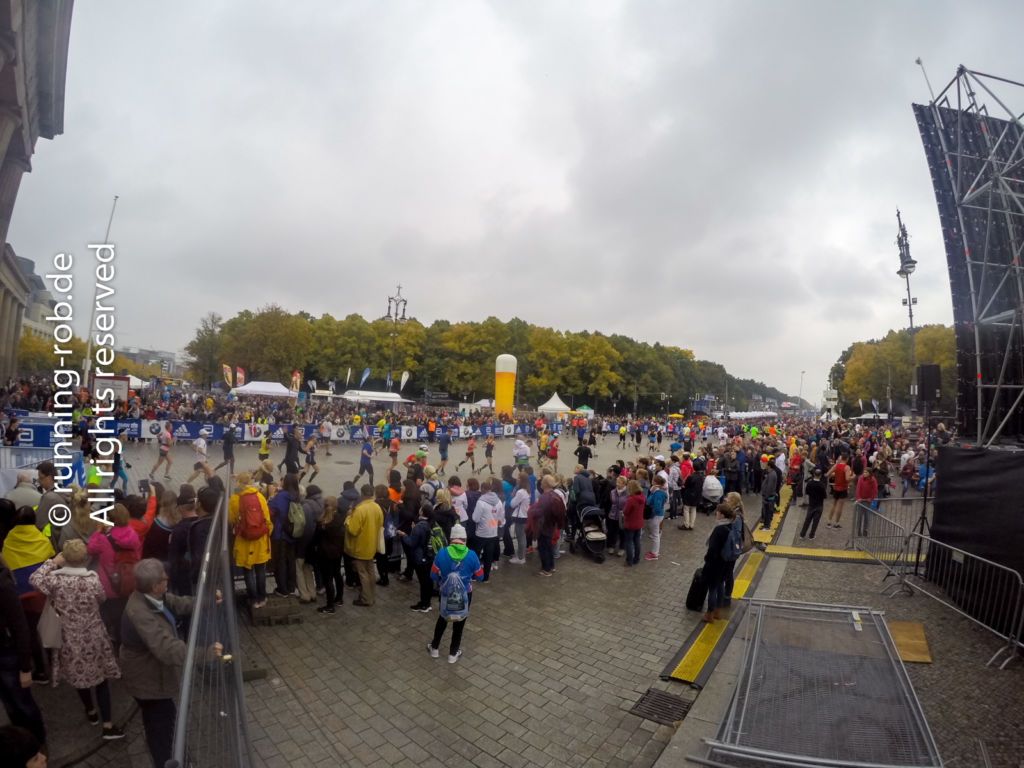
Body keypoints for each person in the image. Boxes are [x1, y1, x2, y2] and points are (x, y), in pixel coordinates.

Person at [121, 558, 220, 768]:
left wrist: (208, 599)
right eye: (165, 580)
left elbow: (179, 602)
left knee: (163, 723)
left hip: (153, 678)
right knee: (161, 731)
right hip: (149, 684)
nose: (168, 582)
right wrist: (205, 653)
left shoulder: (152, 597)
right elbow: (168, 649)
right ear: (155, 585)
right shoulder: (140, 613)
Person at [29, 541, 124, 739]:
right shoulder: (92, 580)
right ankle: (107, 725)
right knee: (101, 680)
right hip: (93, 635)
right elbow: (102, 598)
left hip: (69, 638)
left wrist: (52, 563)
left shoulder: (55, 581)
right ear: (84, 559)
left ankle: (91, 712)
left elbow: (34, 578)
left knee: (79, 678)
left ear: (65, 559)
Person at [0, 554, 46, 746]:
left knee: (23, 704)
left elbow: (21, 626)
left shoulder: (3, 584)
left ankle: (37, 747)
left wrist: (26, 667)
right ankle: (21, 744)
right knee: (10, 704)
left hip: (9, 655)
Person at [426, 524, 482, 664]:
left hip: (445, 593)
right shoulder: (472, 555)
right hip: (465, 594)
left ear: (451, 539)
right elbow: (480, 576)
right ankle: (452, 654)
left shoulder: (442, 553)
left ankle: (434, 648)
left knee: (443, 619)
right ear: (464, 539)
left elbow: (433, 575)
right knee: (459, 623)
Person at [88, 503, 141, 646]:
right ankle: (125, 637)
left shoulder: (105, 538)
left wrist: (98, 531)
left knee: (109, 614)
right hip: (130, 581)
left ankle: (114, 640)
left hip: (111, 585)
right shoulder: (132, 534)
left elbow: (90, 549)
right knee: (125, 611)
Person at [228, 472, 272, 608]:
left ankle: (253, 600)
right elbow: (267, 519)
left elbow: (231, 520)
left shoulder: (234, 499)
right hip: (260, 540)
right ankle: (262, 597)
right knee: (260, 571)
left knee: (248, 571)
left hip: (244, 540)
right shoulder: (259, 496)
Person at [344, 484, 383, 607]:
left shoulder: (360, 510)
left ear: (362, 494)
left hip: (360, 546)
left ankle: (366, 598)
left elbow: (353, 530)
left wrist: (348, 518)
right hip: (371, 545)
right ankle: (371, 595)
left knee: (363, 574)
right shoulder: (377, 507)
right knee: (370, 572)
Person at [525, 475, 567, 577]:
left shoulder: (544, 497)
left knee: (543, 548)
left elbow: (539, 512)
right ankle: (551, 566)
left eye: (542, 482)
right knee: (548, 547)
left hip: (543, 525)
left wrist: (530, 510)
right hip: (551, 524)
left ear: (545, 484)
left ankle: (546, 570)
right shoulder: (554, 494)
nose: (541, 483)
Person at [702, 502, 736, 623]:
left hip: (715, 563)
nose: (716, 514)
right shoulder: (730, 526)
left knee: (712, 588)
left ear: (721, 515)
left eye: (717, 512)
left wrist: (707, 559)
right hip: (726, 562)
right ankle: (717, 611)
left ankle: (709, 613)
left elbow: (712, 549)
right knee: (720, 585)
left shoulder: (719, 529)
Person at [268, 473, 300, 598]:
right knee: (290, 561)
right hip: (292, 532)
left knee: (280, 562)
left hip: (280, 533)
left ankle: (282, 589)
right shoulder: (296, 496)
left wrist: (271, 496)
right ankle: (292, 587)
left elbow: (269, 510)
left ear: (285, 483)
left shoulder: (281, 497)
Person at [313, 496, 345, 614]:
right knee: (337, 574)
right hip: (337, 552)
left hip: (325, 553)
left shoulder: (322, 523)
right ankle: (339, 598)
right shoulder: (340, 519)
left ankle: (330, 605)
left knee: (327, 579)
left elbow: (316, 539)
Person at [295, 485, 323, 603]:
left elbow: (304, 529)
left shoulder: (306, 506)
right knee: (307, 569)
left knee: (299, 569)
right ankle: (312, 593)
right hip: (315, 544)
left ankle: (305, 595)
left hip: (304, 544)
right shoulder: (321, 503)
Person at [471, 480, 503, 581]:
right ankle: (486, 577)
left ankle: (475, 575)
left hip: (481, 532)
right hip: (493, 532)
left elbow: (475, 518)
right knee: (489, 555)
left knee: (476, 554)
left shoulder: (481, 502)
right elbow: (500, 518)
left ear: (482, 489)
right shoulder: (498, 501)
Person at [405, 503, 435, 612]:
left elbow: (412, 543)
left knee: (423, 582)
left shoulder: (420, 526)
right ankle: (428, 602)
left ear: (422, 512)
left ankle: (424, 604)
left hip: (420, 558)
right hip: (430, 556)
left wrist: (404, 535)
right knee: (428, 580)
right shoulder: (431, 523)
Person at [825, 453, 854, 529]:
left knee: (833, 505)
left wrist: (835, 474)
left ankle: (829, 522)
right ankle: (836, 523)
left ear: (841, 458)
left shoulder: (836, 465)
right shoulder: (847, 467)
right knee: (840, 507)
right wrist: (853, 477)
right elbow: (847, 479)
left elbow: (828, 474)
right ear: (847, 459)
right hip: (843, 488)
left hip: (835, 487)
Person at [620, 480, 645, 566]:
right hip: (639, 522)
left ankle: (629, 560)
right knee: (637, 541)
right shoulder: (642, 496)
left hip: (630, 523)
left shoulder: (631, 499)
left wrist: (623, 512)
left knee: (629, 542)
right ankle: (636, 559)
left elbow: (626, 512)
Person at [508, 474, 531, 564]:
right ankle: (521, 556)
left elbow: (512, 504)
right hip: (525, 515)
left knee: (520, 537)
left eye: (518, 478)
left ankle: (521, 558)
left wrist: (513, 498)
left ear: (521, 480)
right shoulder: (527, 491)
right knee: (523, 537)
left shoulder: (520, 492)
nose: (516, 479)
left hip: (520, 516)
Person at [644, 475, 667, 561]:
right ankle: (654, 552)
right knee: (656, 534)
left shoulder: (657, 493)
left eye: (652, 480)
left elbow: (656, 506)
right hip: (657, 515)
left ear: (655, 482)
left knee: (655, 535)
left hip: (656, 515)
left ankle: (654, 554)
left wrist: (652, 513)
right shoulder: (659, 491)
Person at [800, 468, 827, 540]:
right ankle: (811, 535)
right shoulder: (822, 485)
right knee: (816, 521)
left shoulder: (810, 483)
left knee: (807, 520)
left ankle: (802, 534)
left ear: (814, 474)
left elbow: (807, 492)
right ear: (820, 475)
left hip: (811, 504)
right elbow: (824, 496)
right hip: (819, 505)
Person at [854, 464, 878, 538]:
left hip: (868, 500)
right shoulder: (861, 478)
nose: (864, 474)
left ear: (870, 473)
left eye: (866, 472)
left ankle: (865, 530)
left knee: (866, 516)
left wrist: (871, 498)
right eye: (864, 472)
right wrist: (858, 498)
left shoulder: (873, 480)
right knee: (860, 516)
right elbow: (858, 488)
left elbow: (875, 490)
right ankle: (858, 531)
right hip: (861, 500)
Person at [758, 456, 779, 532]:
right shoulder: (771, 473)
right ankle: (765, 525)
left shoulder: (772, 475)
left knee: (767, 512)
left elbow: (770, 487)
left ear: (769, 466)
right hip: (768, 497)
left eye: (766, 464)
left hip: (768, 497)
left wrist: (766, 496)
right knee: (766, 512)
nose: (765, 466)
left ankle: (767, 526)